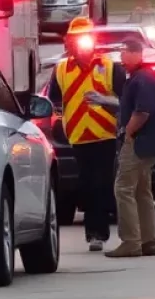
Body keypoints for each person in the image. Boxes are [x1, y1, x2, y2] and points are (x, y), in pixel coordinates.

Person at [47, 17, 125, 252]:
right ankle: (92, 231)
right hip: (78, 137)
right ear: (69, 43)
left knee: (101, 183)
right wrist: (59, 120)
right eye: (76, 40)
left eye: (85, 39)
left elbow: (124, 100)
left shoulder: (109, 67)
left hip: (105, 135)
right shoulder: (61, 69)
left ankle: (100, 232)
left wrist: (106, 103)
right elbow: (54, 100)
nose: (81, 45)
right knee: (86, 184)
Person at [104, 38, 155, 258]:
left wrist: (128, 133)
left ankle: (131, 242)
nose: (121, 58)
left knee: (122, 188)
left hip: (140, 142)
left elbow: (142, 113)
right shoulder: (139, 79)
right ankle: (148, 241)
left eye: (123, 52)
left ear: (136, 53)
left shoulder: (142, 80)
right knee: (142, 190)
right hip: (149, 143)